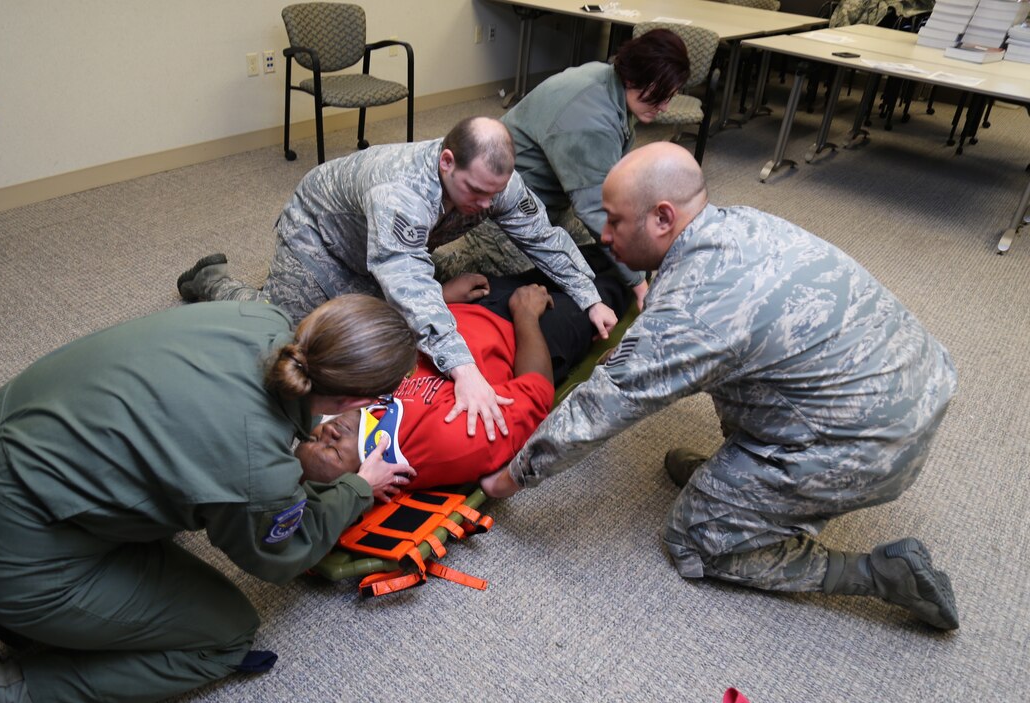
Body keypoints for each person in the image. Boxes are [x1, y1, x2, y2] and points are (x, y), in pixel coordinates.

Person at [483, 142, 961, 631]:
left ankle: (877, 574)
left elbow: (601, 408)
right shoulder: (734, 225)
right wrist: (643, 355)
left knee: (694, 541)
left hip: (872, 445)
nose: (604, 236)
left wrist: (510, 477)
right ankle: (740, 477)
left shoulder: (694, 308)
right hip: (907, 385)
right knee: (735, 369)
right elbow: (698, 339)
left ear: (663, 217)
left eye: (614, 221)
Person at [0, 295, 418, 703]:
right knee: (225, 637)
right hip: (7, 552)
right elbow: (282, 555)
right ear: (359, 402)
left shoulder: (254, 317)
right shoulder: (258, 466)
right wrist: (356, 487)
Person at [177, 116, 618, 442]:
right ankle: (211, 279)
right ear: (447, 162)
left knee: (388, 321)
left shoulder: (492, 182)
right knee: (291, 337)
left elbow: (541, 236)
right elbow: (406, 277)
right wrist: (463, 370)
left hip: (389, 247)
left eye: (493, 194)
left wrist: (588, 296)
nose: (486, 205)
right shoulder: (401, 190)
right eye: (476, 193)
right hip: (322, 240)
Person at [297, 267, 631, 490]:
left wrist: (438, 299)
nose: (327, 432)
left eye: (312, 439)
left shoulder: (348, 393)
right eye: (333, 451)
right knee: (615, 279)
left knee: (571, 258)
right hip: (524, 333)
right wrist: (526, 314)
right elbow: (536, 392)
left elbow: (384, 334)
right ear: (365, 475)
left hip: (456, 310)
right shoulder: (444, 446)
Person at [432, 29, 690, 311]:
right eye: (660, 96)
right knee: (513, 288)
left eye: (670, 97)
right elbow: (597, 211)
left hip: (549, 203)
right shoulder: (591, 120)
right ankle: (437, 266)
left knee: (603, 261)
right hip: (502, 216)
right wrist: (639, 285)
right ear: (633, 77)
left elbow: (611, 179)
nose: (664, 107)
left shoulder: (606, 77)